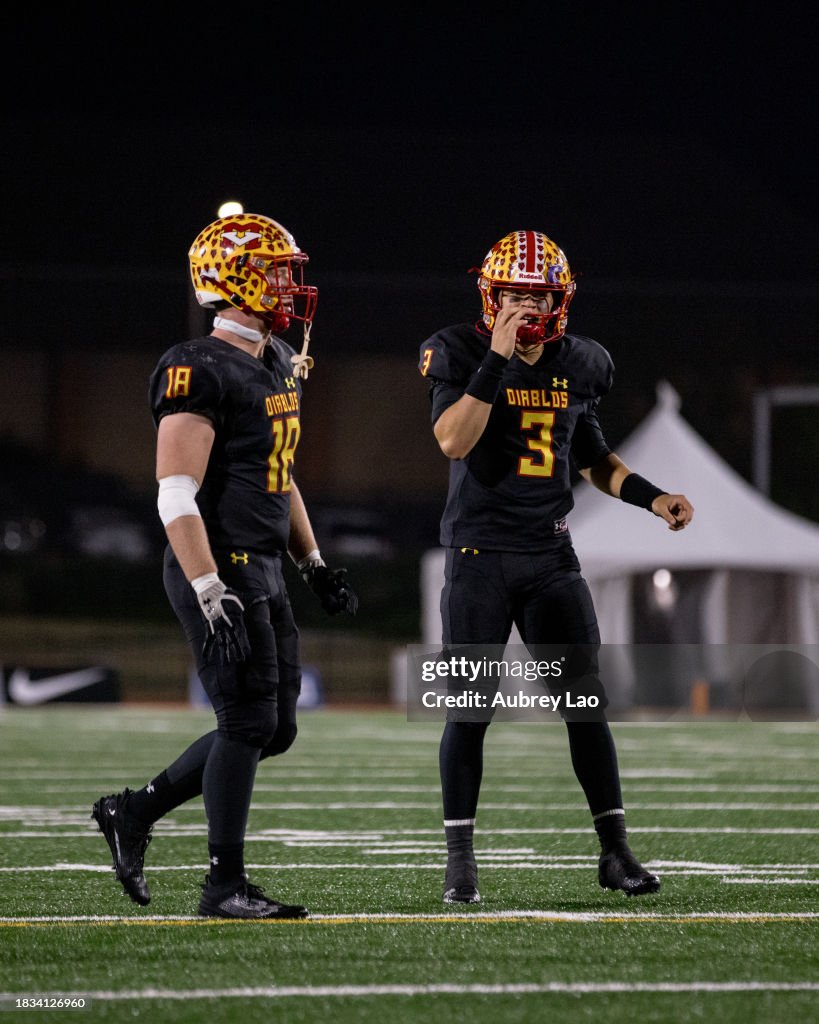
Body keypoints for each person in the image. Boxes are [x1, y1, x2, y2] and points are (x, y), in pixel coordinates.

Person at [93, 213, 357, 919]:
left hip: (264, 564)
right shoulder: (196, 365)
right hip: (220, 568)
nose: (288, 284)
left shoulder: (270, 362)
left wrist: (315, 562)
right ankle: (224, 885)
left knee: (277, 727)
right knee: (244, 721)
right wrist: (210, 588)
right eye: (275, 270)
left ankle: (134, 811)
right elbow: (175, 491)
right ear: (233, 278)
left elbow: (280, 475)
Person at [418, 229, 693, 904]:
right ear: (488, 296)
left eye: (533, 295)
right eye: (508, 294)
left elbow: (592, 455)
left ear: (558, 300)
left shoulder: (581, 362)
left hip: (549, 558)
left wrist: (650, 496)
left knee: (584, 705)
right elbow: (453, 440)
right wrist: (498, 359)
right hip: (478, 557)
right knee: (469, 711)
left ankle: (615, 852)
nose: (519, 305)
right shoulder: (456, 349)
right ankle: (460, 863)